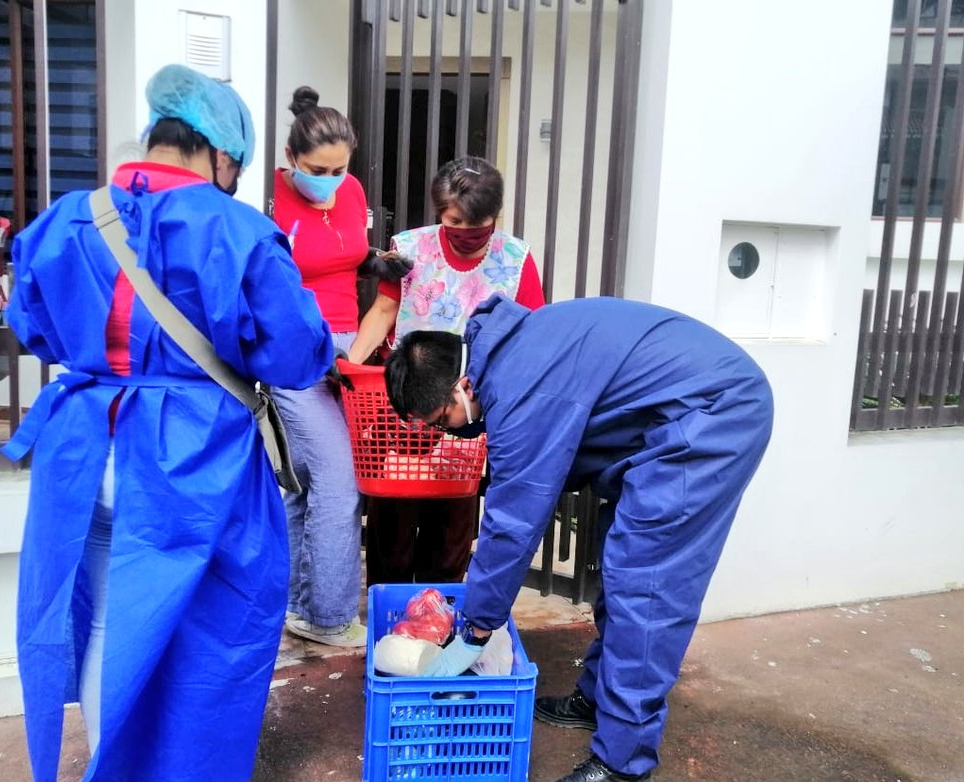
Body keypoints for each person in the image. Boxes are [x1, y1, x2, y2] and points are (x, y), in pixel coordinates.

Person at [1, 64, 333, 782]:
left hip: (87, 452)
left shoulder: (66, 218)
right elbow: (299, 354)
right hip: (194, 460)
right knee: (213, 636)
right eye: (235, 167)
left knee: (101, 622)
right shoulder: (239, 229)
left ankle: (107, 762)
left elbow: (29, 323)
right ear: (218, 152)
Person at [384, 294, 774, 782]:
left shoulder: (521, 388)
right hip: (673, 417)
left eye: (443, 420)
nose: (449, 432)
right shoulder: (507, 356)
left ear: (462, 385)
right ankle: (597, 699)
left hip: (712, 415)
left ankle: (622, 764)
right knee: (622, 568)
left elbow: (513, 522)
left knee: (645, 588)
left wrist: (476, 627)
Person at [347, 156, 544, 587]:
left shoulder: (515, 259)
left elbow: (530, 339)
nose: (466, 233)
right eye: (455, 221)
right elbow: (384, 309)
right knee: (391, 532)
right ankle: (390, 621)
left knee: (451, 533)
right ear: (440, 212)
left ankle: (438, 621)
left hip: (467, 416)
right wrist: (353, 366)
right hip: (403, 405)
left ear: (496, 216)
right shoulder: (411, 248)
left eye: (478, 224)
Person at [270, 86, 409, 647]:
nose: (329, 179)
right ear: (292, 159)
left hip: (349, 349)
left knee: (308, 485)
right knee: (337, 481)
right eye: (317, 169)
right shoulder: (269, 199)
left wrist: (381, 262)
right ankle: (329, 616)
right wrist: (317, 347)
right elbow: (267, 286)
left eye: (339, 168)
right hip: (295, 353)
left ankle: (290, 604)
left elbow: (350, 255)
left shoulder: (350, 191)